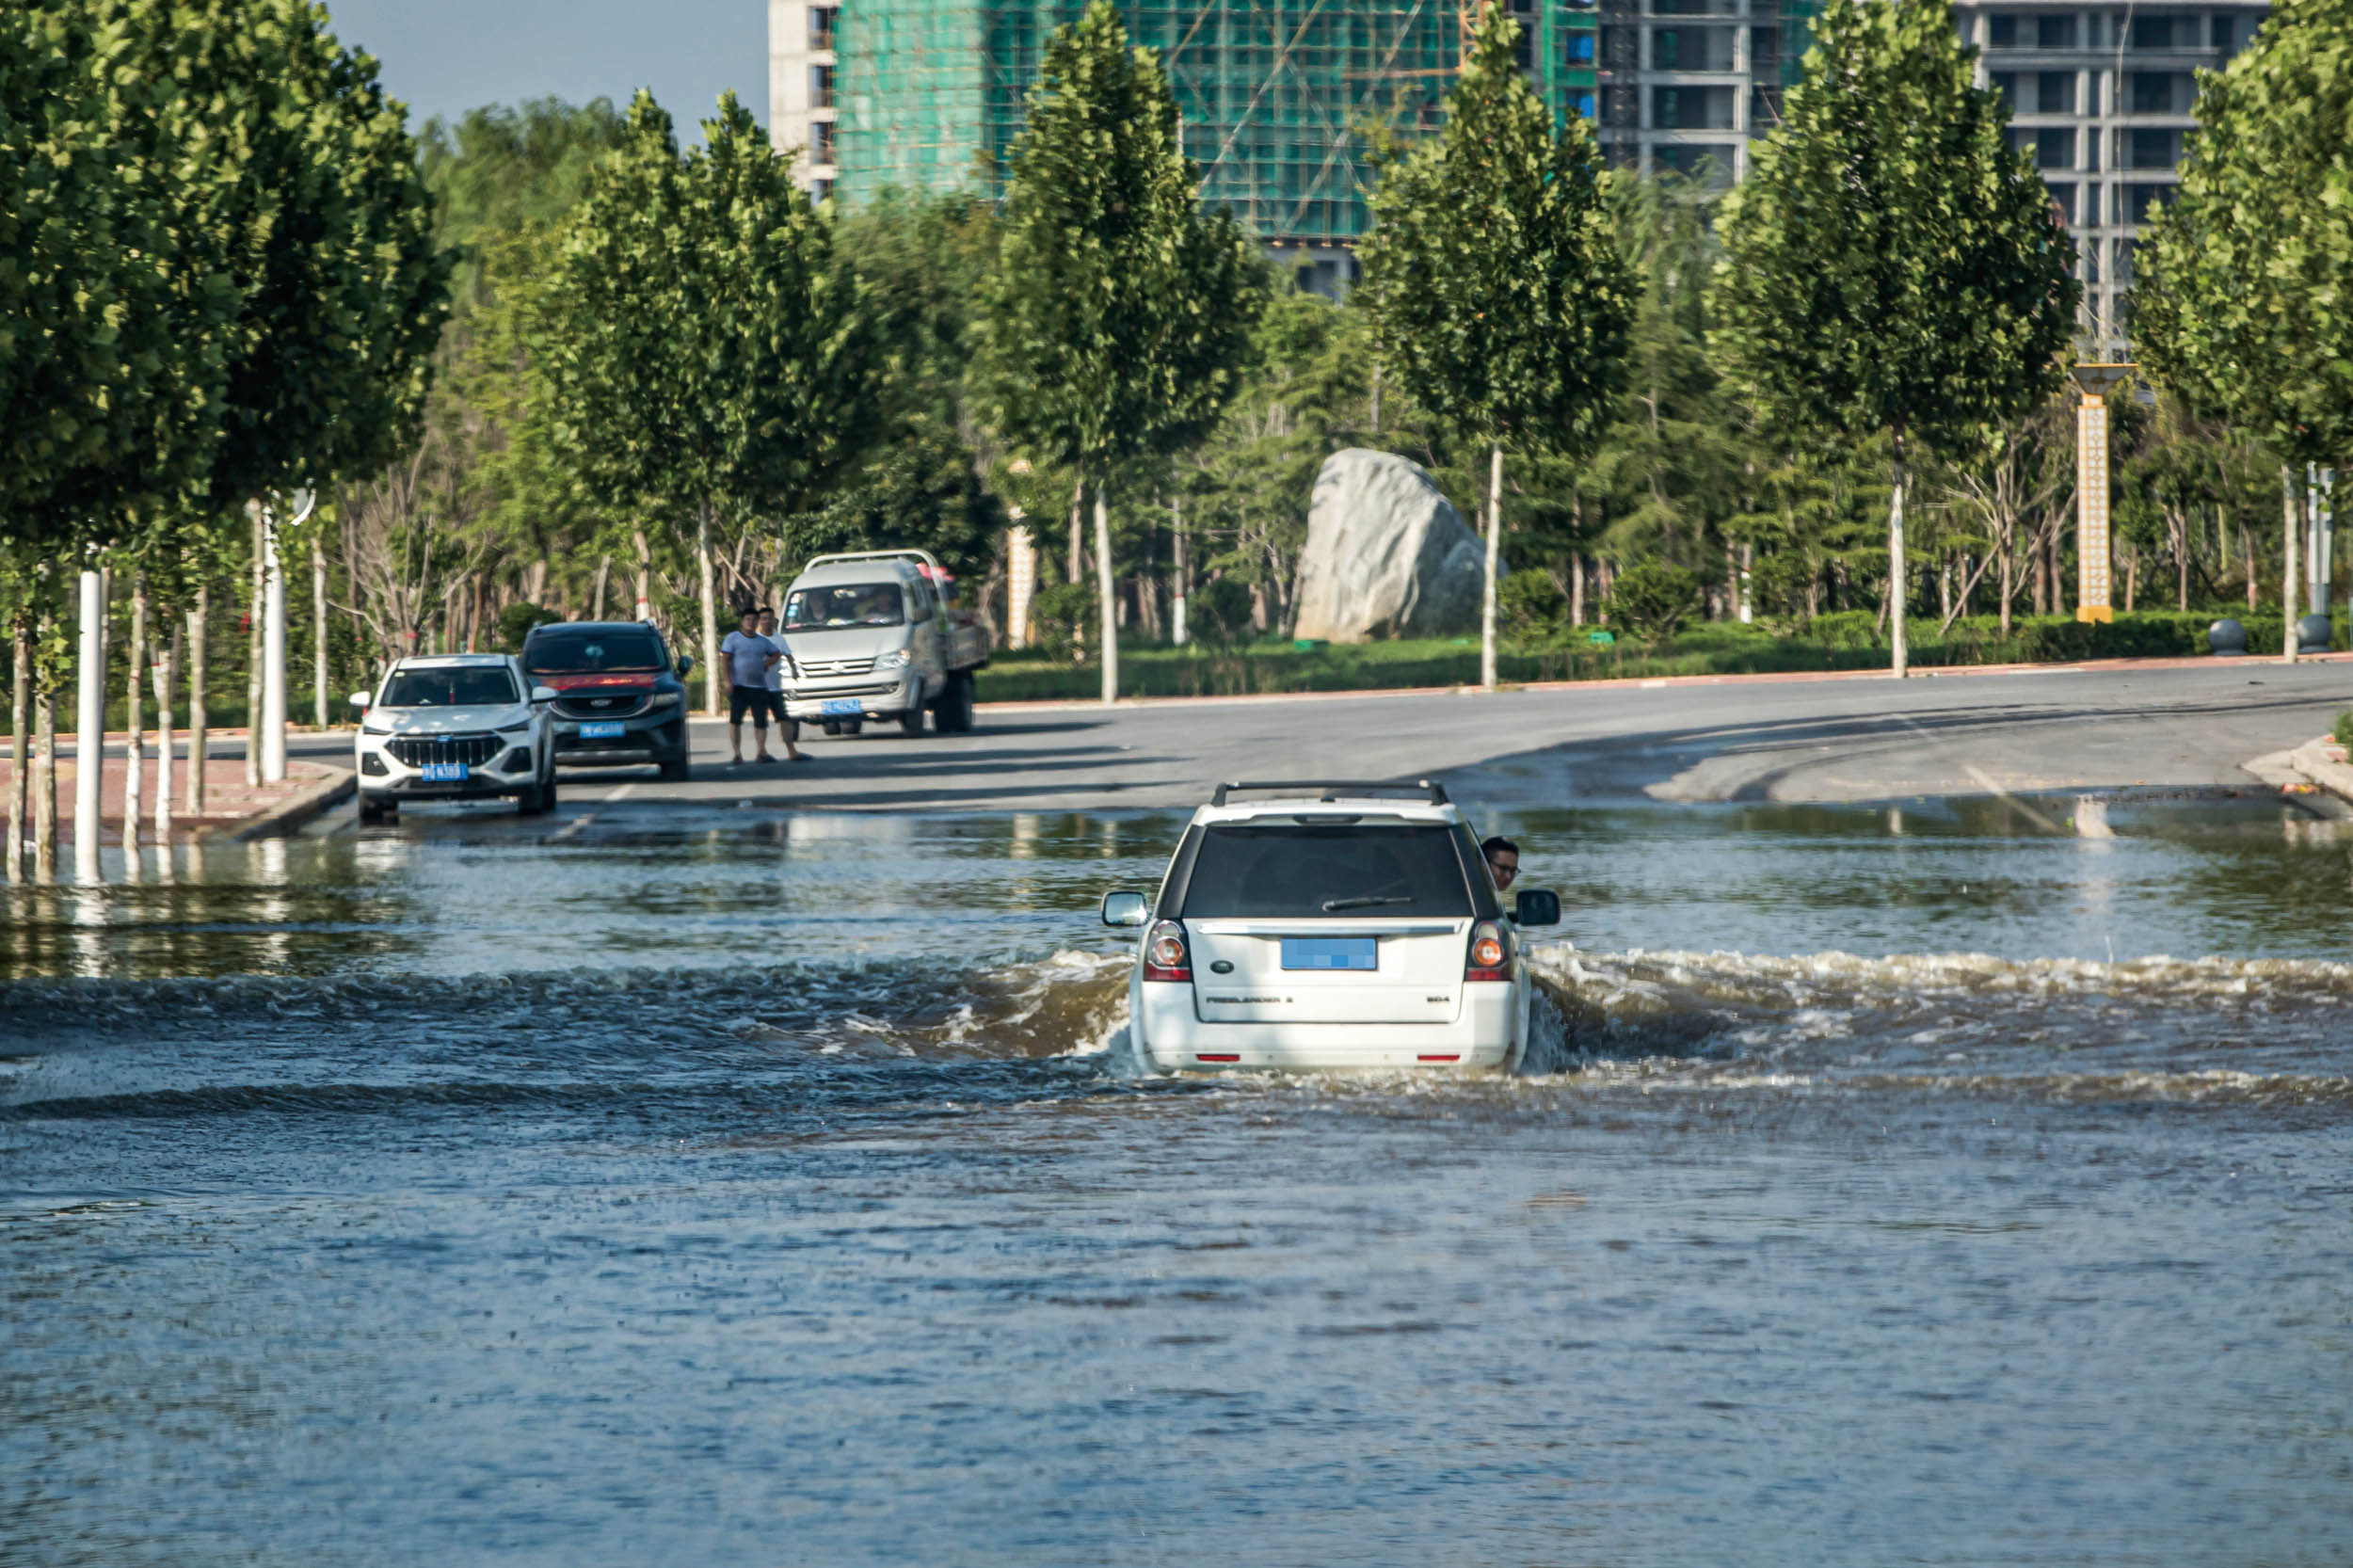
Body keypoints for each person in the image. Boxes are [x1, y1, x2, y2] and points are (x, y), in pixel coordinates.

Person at [720, 607, 782, 764]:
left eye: (754, 620)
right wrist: (728, 680)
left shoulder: (762, 641)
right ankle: (737, 753)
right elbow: (725, 659)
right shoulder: (732, 638)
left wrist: (768, 662)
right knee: (735, 721)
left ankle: (761, 752)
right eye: (748, 619)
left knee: (761, 721)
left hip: (759, 686)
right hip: (739, 686)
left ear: (757, 622)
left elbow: (776, 653)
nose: (751, 622)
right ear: (742, 621)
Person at [755, 607, 807, 762]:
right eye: (763, 618)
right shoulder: (754, 639)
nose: (767, 621)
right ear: (759, 621)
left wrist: (794, 672)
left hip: (775, 687)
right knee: (760, 721)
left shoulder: (779, 639)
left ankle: (792, 751)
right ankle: (761, 752)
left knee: (784, 719)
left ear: (774, 620)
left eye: (769, 618)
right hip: (758, 687)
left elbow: (789, 656)